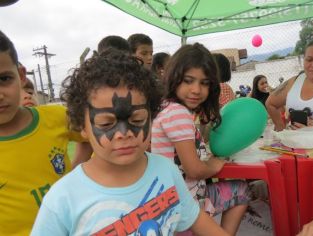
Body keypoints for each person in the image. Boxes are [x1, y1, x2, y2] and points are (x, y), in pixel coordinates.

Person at [31, 48, 229, 236]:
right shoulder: (62, 199)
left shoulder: (166, 170)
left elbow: (195, 219)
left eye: (137, 120)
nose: (124, 134)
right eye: (107, 122)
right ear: (82, 127)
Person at [151, 43, 250, 235]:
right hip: (185, 206)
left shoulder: (167, 108)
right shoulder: (177, 113)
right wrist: (214, 165)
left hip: (175, 201)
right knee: (242, 190)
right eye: (188, 81)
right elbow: (194, 170)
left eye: (204, 83)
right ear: (174, 78)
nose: (196, 89)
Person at [0, 30, 91, 235]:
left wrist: (75, 172)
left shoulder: (57, 117)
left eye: (4, 79)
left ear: (21, 76)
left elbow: (92, 137)